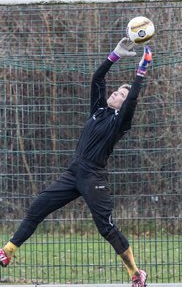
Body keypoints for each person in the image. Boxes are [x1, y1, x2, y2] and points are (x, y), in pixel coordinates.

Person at [0, 37, 152, 287]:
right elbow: (97, 79)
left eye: (121, 94)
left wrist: (141, 71)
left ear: (125, 104)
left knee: (106, 228)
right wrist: (114, 55)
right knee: (38, 207)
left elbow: (133, 98)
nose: (116, 93)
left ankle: (136, 274)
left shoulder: (120, 122)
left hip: (93, 177)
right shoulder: (99, 110)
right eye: (116, 90)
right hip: (74, 173)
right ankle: (8, 251)